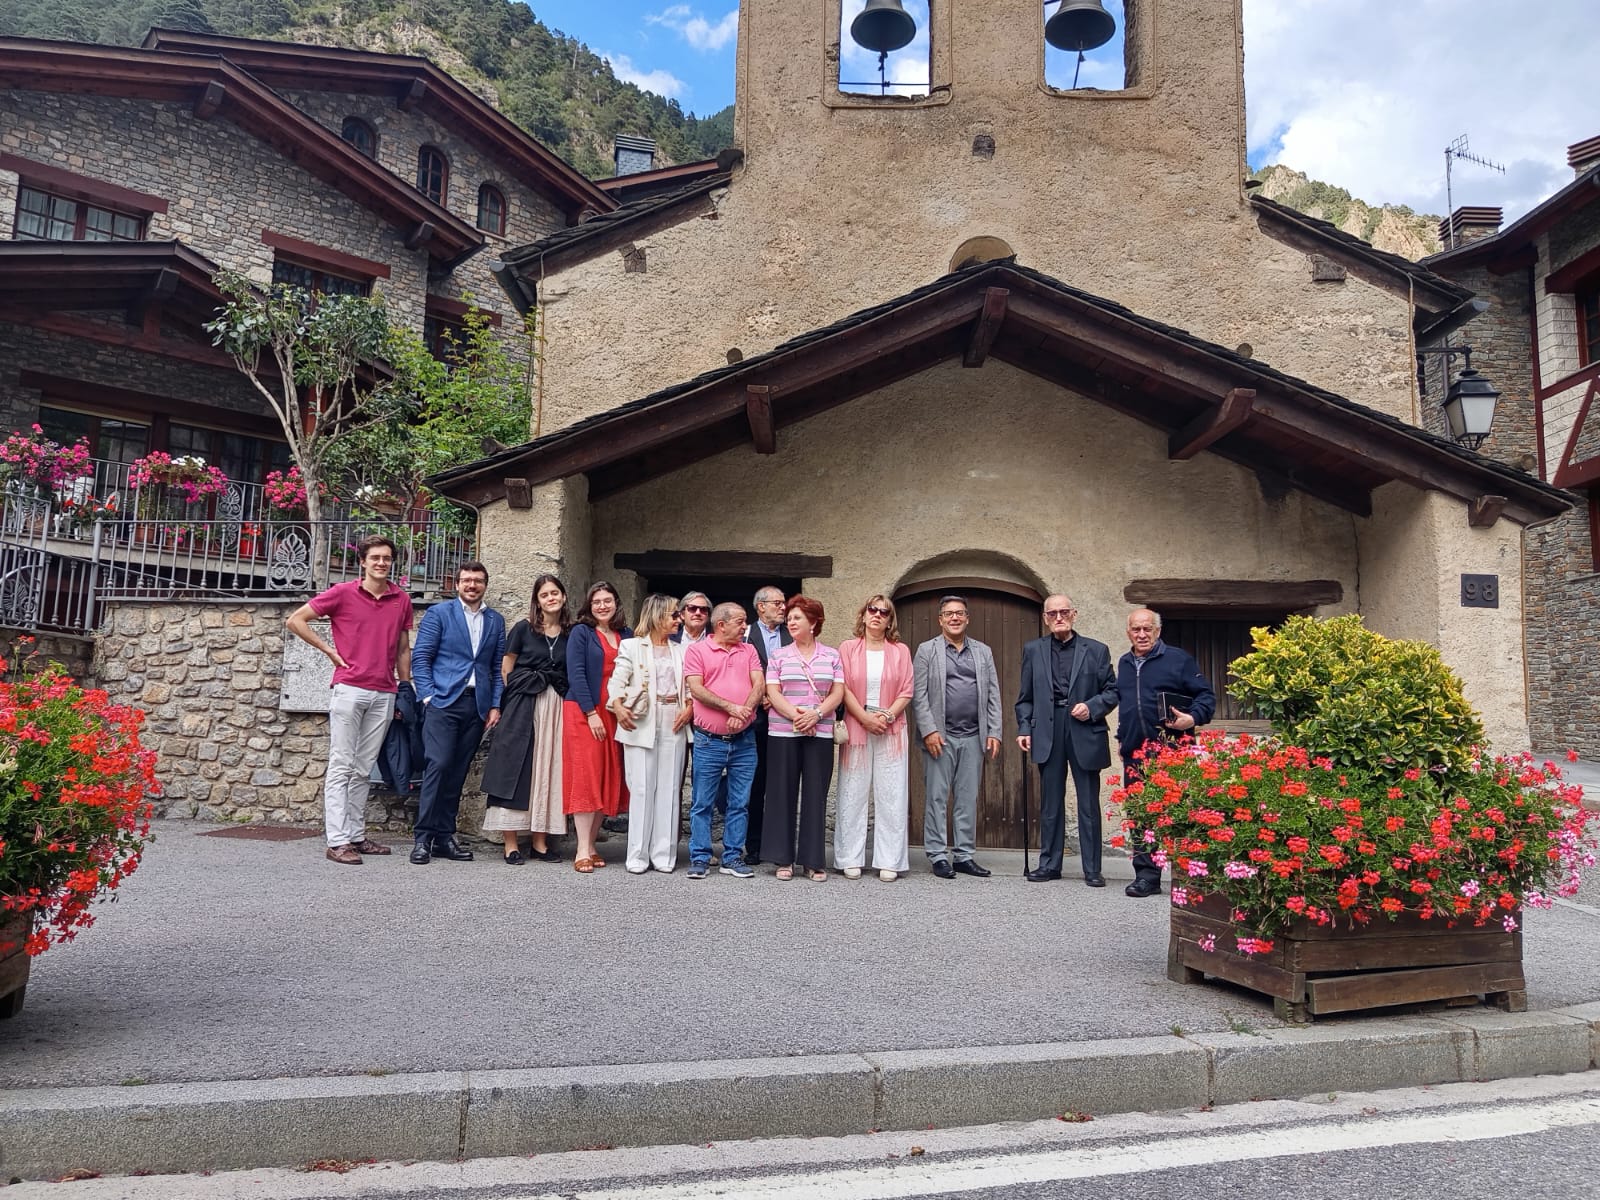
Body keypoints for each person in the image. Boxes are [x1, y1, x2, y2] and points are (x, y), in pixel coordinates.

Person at [286, 534, 412, 867]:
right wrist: (328, 650)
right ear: (363, 561)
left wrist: (406, 684)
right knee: (342, 764)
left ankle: (356, 835)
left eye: (386, 558)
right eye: (375, 558)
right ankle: (337, 840)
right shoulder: (343, 593)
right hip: (350, 687)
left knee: (363, 767)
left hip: (384, 690)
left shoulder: (401, 599)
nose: (381, 563)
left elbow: (402, 648)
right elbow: (295, 620)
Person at [1015, 594, 1118, 886]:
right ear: (1045, 618)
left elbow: (1111, 691)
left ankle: (1093, 869)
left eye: (1063, 612)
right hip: (1048, 729)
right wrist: (1024, 728)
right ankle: (1049, 865)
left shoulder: (1096, 650)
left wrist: (1093, 707)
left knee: (1088, 802)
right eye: (1052, 614)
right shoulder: (1033, 650)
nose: (1058, 618)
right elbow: (1025, 698)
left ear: (1074, 614)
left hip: (1084, 727)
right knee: (1050, 803)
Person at [409, 562, 506, 865]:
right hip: (443, 702)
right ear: (458, 584)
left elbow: (496, 666)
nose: (472, 585)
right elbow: (421, 657)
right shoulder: (440, 614)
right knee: (438, 765)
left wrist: (494, 704)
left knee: (457, 772)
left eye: (477, 581)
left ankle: (444, 837)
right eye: (466, 580)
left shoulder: (495, 620)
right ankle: (423, 837)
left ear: (485, 585)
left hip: (476, 705)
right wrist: (427, 697)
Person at [1116, 607, 1216, 898]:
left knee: (1179, 815)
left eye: (1148, 629)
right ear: (1129, 633)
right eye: (1136, 629)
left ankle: (1187, 876)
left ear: (1158, 631)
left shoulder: (1178, 659)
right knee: (1140, 816)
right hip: (1136, 753)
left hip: (1173, 750)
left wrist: (1192, 718)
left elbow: (1206, 696)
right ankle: (1147, 876)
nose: (1142, 634)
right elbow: (1127, 706)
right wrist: (1122, 739)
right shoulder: (1124, 663)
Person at [480, 574, 571, 864]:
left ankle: (540, 841)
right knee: (515, 769)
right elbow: (506, 669)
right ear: (538, 601)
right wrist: (520, 695)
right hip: (523, 703)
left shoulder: (572, 632)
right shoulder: (523, 629)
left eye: (555, 593)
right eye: (545, 595)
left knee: (547, 769)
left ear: (564, 597)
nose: (551, 598)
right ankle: (511, 843)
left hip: (556, 705)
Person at [912, 594, 1001, 879]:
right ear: (940, 619)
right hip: (941, 737)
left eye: (959, 613)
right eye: (949, 613)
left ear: (967, 618)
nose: (954, 618)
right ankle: (938, 855)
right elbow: (919, 695)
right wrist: (929, 730)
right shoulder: (927, 650)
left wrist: (995, 732)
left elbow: (993, 695)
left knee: (967, 798)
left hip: (974, 737)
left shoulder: (983, 652)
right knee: (936, 798)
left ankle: (963, 855)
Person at [761, 596, 844, 882]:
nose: (791, 622)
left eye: (797, 617)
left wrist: (817, 714)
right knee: (781, 793)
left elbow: (837, 692)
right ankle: (782, 859)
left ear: (814, 621)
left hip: (819, 731)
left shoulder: (832, 655)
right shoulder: (779, 656)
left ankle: (812, 861)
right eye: (790, 618)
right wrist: (798, 717)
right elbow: (773, 692)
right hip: (783, 730)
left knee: (815, 795)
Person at [608, 594, 692, 873]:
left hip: (674, 717)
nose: (678, 619)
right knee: (642, 787)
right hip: (642, 717)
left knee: (669, 787)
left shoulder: (681, 651)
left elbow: (690, 687)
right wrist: (619, 707)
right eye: (673, 615)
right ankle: (637, 855)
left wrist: (689, 708)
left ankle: (664, 855)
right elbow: (617, 681)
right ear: (657, 616)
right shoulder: (632, 646)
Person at [683, 602, 765, 879]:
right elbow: (696, 688)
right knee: (702, 803)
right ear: (721, 625)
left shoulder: (749, 649)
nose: (745, 627)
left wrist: (743, 714)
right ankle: (700, 858)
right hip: (709, 741)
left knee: (739, 803)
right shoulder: (697, 651)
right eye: (740, 622)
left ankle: (732, 857)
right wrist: (732, 708)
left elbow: (759, 685)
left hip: (744, 740)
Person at [836, 594, 914, 882]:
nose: (877, 615)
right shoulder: (848, 648)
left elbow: (906, 689)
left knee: (892, 793)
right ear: (864, 614)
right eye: (873, 609)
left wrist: (887, 717)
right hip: (857, 725)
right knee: (852, 791)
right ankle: (849, 857)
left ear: (890, 619)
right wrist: (864, 718)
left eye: (884, 612)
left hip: (891, 729)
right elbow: (841, 687)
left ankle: (889, 859)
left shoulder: (900, 651)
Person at [564, 581, 632, 872]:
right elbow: (576, 672)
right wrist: (590, 711)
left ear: (616, 603)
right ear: (589, 606)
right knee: (587, 775)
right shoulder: (582, 632)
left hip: (614, 714)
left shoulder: (626, 636)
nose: (602, 606)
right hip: (584, 711)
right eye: (596, 602)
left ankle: (591, 845)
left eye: (607, 600)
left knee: (607, 776)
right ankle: (580, 850)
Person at [742, 584, 792, 862]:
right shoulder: (746, 633)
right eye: (777, 603)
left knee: (781, 783)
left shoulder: (792, 634)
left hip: (786, 715)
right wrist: (761, 696)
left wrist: (777, 697)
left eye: (783, 603)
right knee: (756, 783)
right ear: (760, 607)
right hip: (757, 720)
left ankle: (780, 845)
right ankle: (755, 845)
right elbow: (739, 670)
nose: (783, 608)